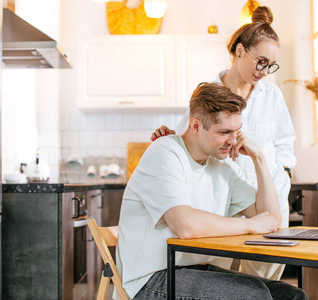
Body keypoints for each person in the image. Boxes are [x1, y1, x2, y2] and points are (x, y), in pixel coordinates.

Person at [115, 82, 307, 300]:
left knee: (290, 295)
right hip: (149, 280)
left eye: (237, 131)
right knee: (255, 295)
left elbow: (271, 220)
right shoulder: (164, 153)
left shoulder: (223, 168)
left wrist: (259, 158)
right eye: (224, 132)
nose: (233, 141)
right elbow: (185, 225)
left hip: (197, 269)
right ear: (196, 126)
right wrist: (251, 225)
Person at [151, 6, 296, 280]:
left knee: (264, 280)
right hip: (223, 199)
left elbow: (286, 142)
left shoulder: (272, 95)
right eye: (261, 61)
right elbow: (188, 139)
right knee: (221, 276)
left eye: (271, 65)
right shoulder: (210, 94)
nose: (265, 71)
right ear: (240, 51)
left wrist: (284, 172)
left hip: (269, 197)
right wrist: (168, 136)